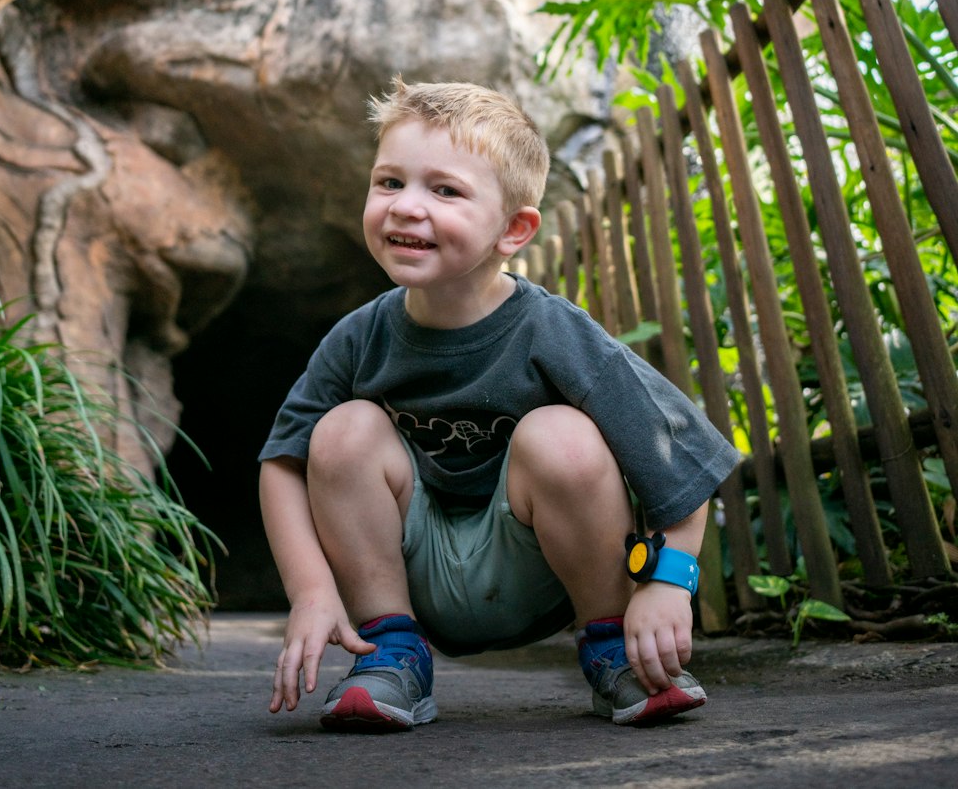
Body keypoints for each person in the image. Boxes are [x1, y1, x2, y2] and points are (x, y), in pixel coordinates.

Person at [259, 78, 739, 732]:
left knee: (562, 433)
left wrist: (667, 581)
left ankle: (612, 650)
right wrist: (311, 592)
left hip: (540, 567)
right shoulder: (360, 336)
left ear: (514, 228)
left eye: (445, 189)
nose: (406, 206)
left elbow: (679, 454)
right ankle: (391, 656)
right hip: (410, 571)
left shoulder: (551, 330)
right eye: (390, 181)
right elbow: (282, 462)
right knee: (341, 430)